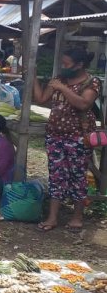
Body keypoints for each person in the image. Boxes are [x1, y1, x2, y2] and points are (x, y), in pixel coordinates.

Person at [32, 49, 101, 232]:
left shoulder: (91, 82)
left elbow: (83, 104)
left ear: (79, 65)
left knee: (77, 176)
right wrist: (32, 77)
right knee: (56, 176)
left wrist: (62, 88)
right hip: (55, 136)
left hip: (78, 138)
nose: (63, 67)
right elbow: (41, 98)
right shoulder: (59, 79)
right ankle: (53, 217)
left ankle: (77, 217)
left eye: (67, 64)